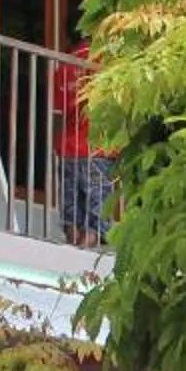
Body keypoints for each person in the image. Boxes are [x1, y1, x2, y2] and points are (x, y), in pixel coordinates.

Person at [52, 39, 113, 241]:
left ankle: (72, 254)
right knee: (96, 216)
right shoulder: (106, 59)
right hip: (97, 150)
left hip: (68, 149)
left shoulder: (65, 63)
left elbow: (58, 112)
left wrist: (58, 145)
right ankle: (85, 263)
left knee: (72, 215)